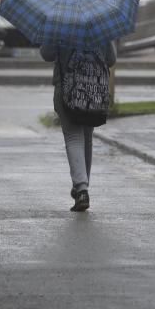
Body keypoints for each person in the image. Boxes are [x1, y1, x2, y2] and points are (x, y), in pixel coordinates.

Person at [40, 41, 116, 212]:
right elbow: (111, 59)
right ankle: (82, 187)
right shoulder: (100, 22)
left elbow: (47, 54)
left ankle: (81, 189)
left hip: (66, 87)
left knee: (74, 137)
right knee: (87, 137)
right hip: (94, 90)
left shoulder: (60, 20)